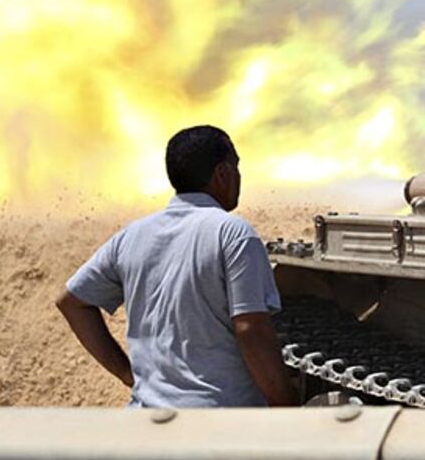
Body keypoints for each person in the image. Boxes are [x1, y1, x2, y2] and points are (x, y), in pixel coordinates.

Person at [56, 125, 298, 407]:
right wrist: (288, 405)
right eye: (236, 166)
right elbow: (250, 329)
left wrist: (128, 375)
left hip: (149, 420)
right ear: (223, 173)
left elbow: (72, 303)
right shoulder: (233, 233)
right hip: (218, 425)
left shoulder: (132, 236)